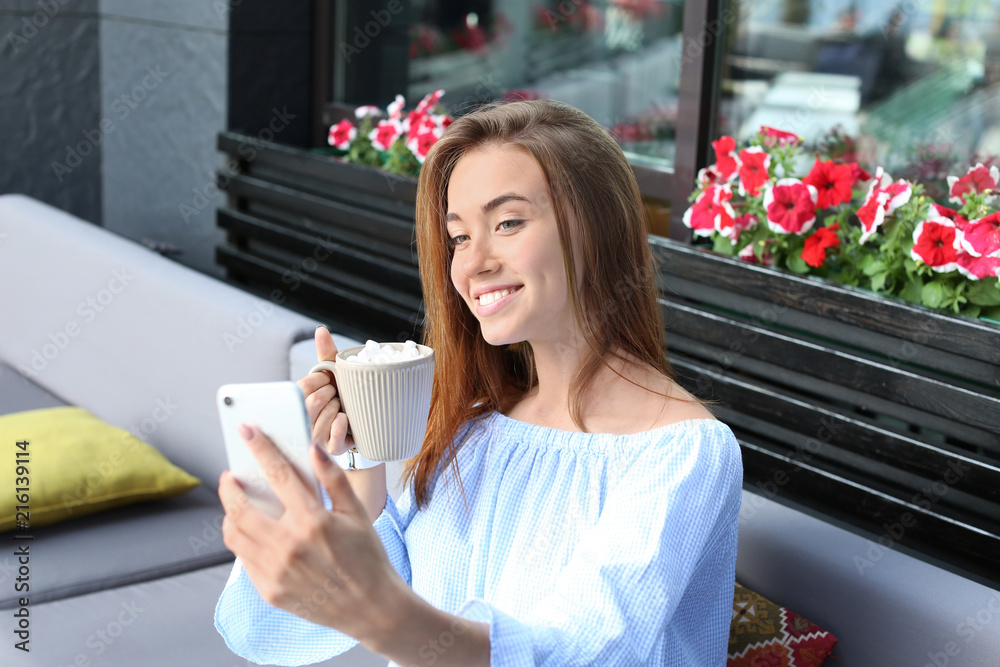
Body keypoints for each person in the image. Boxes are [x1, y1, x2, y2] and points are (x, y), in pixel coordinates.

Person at [214, 99, 743, 666]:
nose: (472, 264)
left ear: (596, 229)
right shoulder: (477, 423)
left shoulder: (683, 453)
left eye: (508, 222)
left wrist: (378, 612)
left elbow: (576, 654)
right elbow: (290, 627)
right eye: (459, 237)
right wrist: (357, 463)